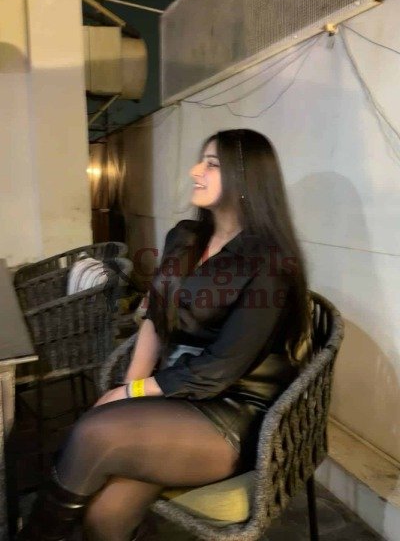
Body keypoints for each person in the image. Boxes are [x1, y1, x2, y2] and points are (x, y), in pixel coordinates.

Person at [17, 129, 309, 541]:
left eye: (212, 164)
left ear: (247, 179)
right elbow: (156, 317)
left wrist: (133, 394)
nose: (195, 171)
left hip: (232, 410)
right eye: (201, 160)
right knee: (104, 515)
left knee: (93, 432)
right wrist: (129, 387)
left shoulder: (270, 264)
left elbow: (220, 369)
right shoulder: (186, 237)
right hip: (175, 393)